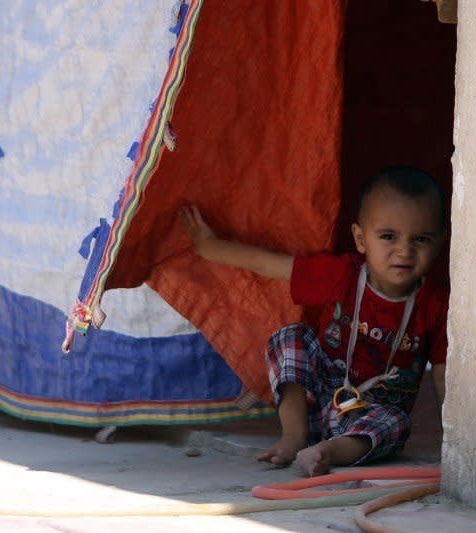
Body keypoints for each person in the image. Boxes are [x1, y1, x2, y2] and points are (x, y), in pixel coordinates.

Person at [180, 166, 448, 476]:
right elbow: (268, 264)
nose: (404, 250)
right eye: (388, 236)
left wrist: (456, 440)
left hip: (371, 417)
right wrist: (211, 247)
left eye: (421, 239)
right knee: (291, 337)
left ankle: (325, 452)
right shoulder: (341, 275)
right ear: (361, 239)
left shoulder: (437, 305)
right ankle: (294, 437)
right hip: (318, 400)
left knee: (399, 424)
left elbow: (443, 377)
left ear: (440, 243)